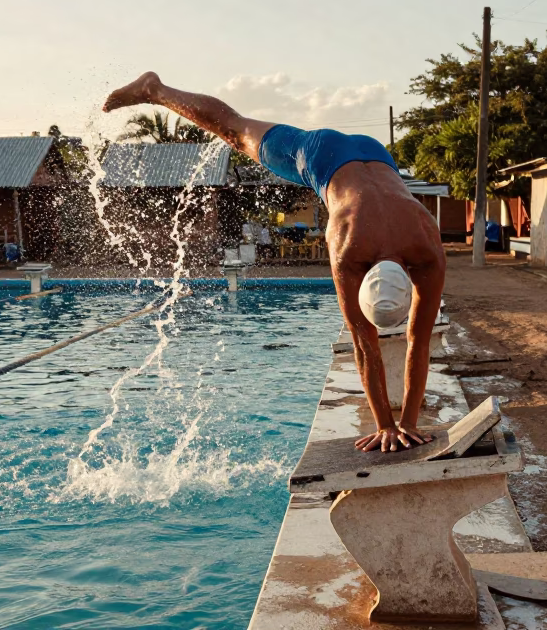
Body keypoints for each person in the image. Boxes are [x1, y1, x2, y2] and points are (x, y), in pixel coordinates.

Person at [105, 72, 446, 452]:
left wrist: (402, 423)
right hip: (317, 155)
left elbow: (401, 342)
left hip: (378, 153)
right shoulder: (354, 242)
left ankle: (157, 90)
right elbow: (381, 345)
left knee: (235, 125)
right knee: (232, 131)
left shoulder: (422, 244)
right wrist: (390, 425)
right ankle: (155, 90)